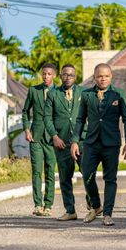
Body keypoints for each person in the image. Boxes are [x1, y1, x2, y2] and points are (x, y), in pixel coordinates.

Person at [71, 64, 126, 226]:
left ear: (111, 77)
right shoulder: (86, 95)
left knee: (110, 179)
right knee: (87, 174)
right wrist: (75, 141)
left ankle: (107, 214)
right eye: (100, 76)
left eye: (106, 76)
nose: (103, 79)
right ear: (94, 77)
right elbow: (80, 119)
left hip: (111, 143)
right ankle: (96, 206)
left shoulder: (119, 94)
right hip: (91, 143)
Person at [44, 64, 84, 221]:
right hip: (61, 143)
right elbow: (47, 117)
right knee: (65, 178)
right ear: (60, 76)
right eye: (65, 75)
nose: (68, 77)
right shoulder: (53, 94)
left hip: (81, 141)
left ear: (76, 77)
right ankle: (70, 210)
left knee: (87, 173)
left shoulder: (83, 92)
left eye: (71, 75)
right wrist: (54, 136)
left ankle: (93, 206)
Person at [22, 63, 58, 216]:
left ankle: (48, 205)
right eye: (44, 74)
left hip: (52, 137)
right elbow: (25, 111)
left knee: (50, 171)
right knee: (36, 171)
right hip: (35, 136)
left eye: (49, 74)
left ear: (54, 76)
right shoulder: (33, 90)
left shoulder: (59, 92)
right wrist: (26, 129)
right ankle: (38, 205)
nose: (45, 76)